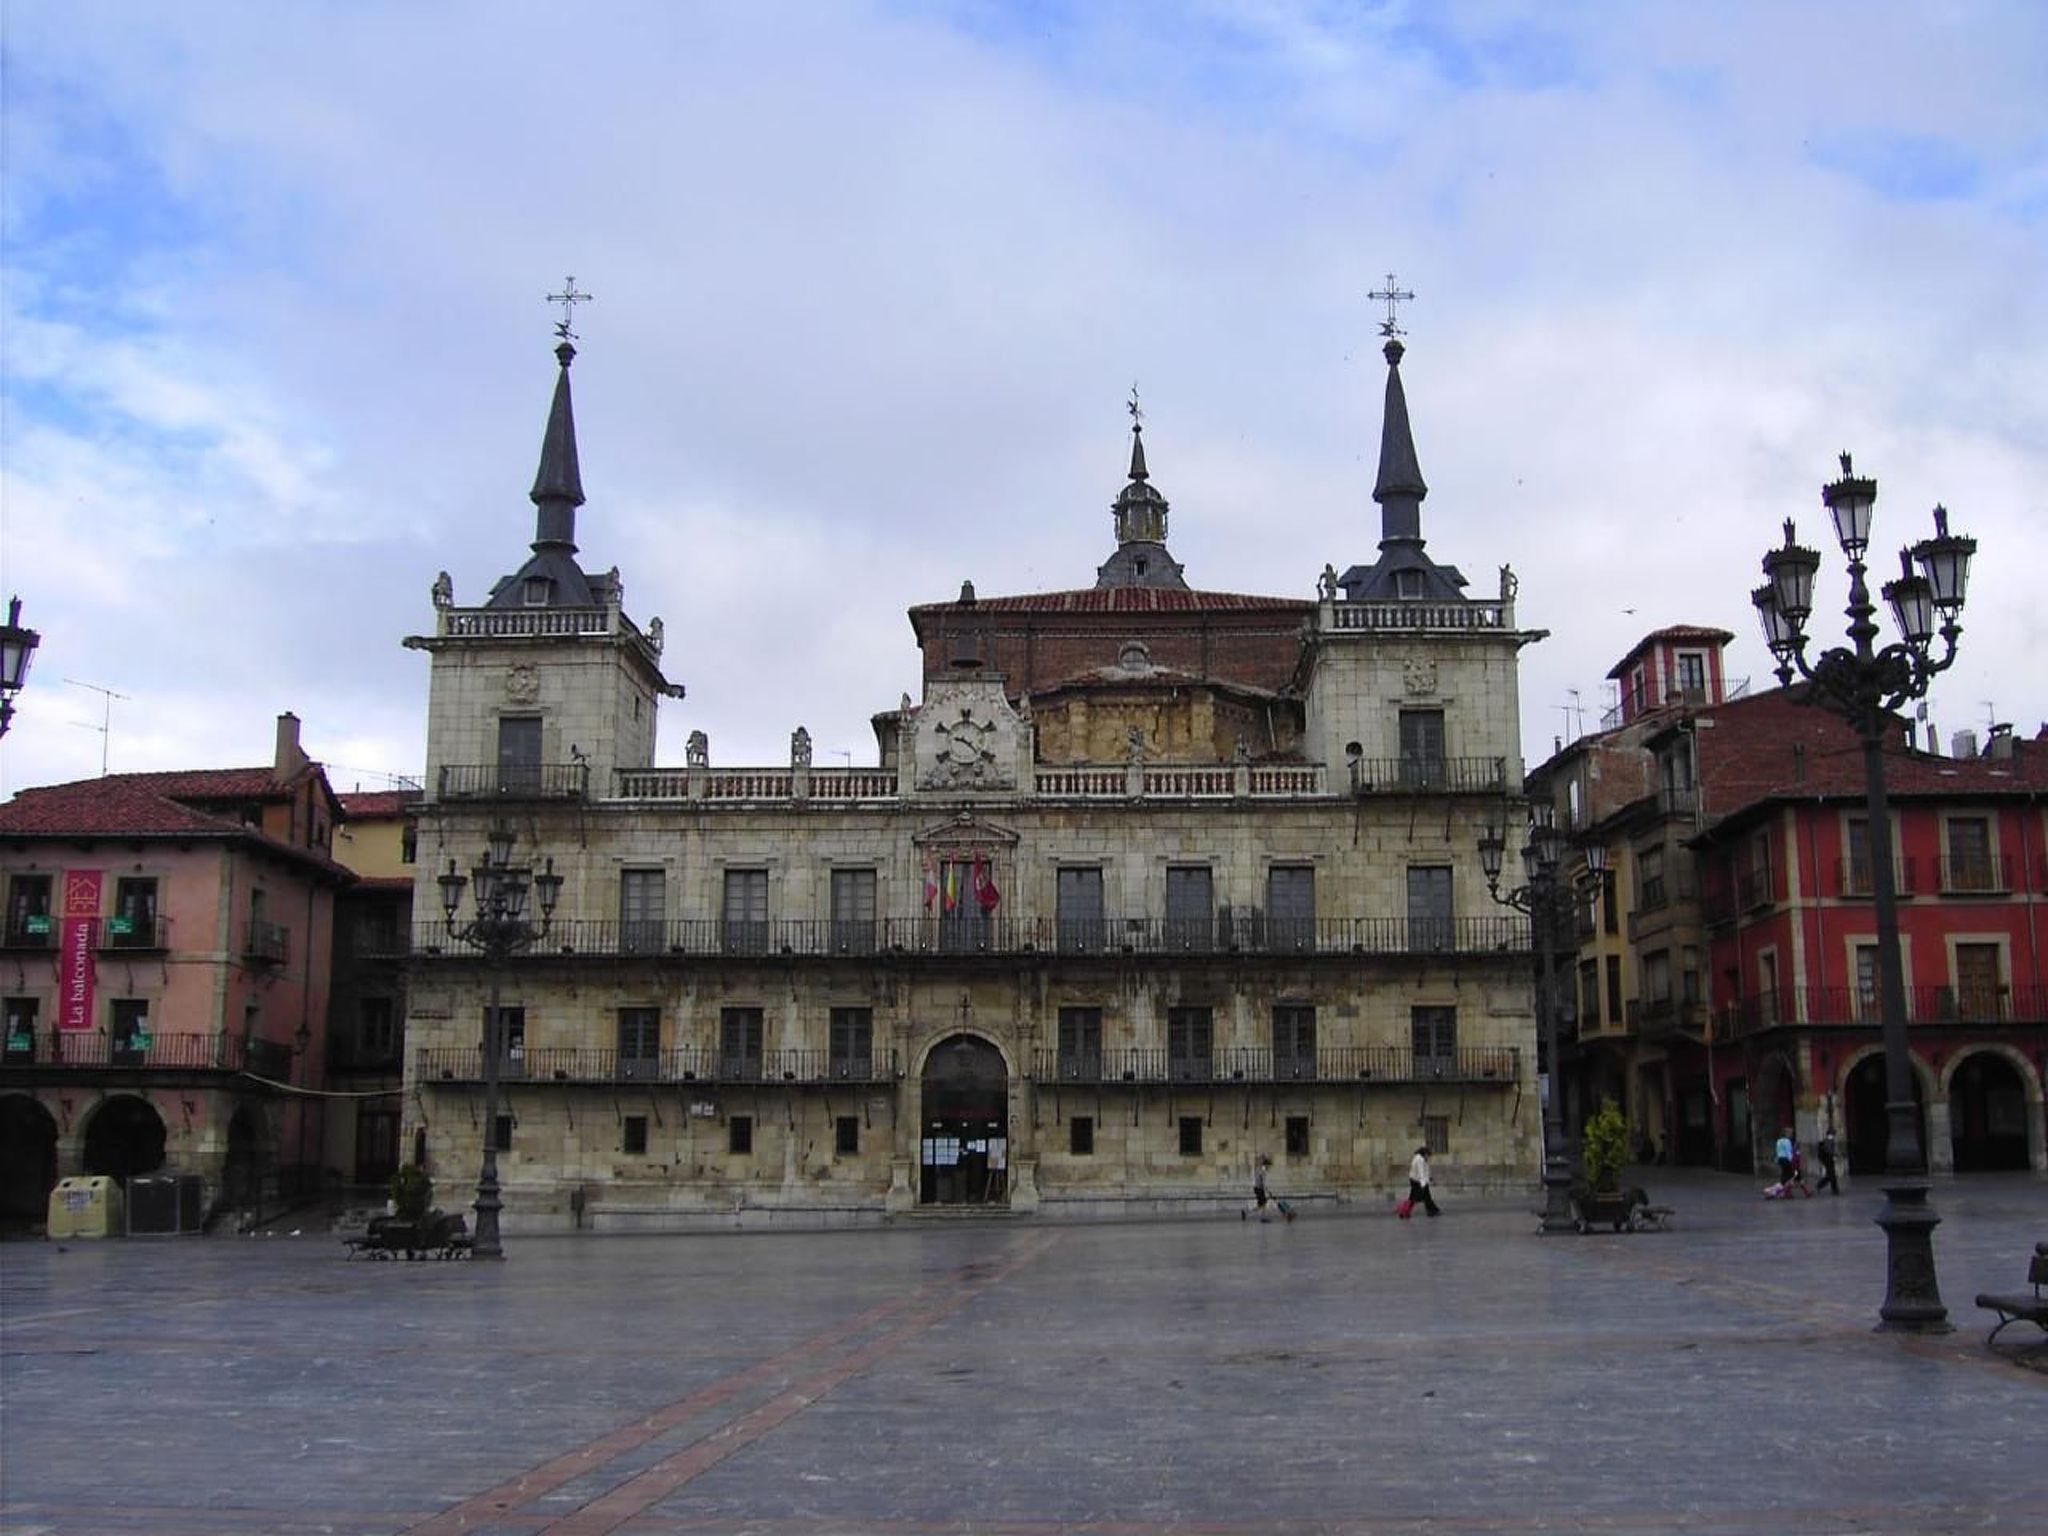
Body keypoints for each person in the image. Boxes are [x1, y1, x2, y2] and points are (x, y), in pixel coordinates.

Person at [1407, 1145, 1441, 1217]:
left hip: (1415, 1180)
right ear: (1425, 1153)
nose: (1428, 1157)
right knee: (1415, 1197)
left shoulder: (1417, 1157)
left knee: (1422, 1196)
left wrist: (1429, 1178)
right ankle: (1432, 1210)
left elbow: (1425, 1170)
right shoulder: (1420, 1160)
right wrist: (1423, 1184)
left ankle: (1432, 1210)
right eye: (1428, 1155)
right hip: (1418, 1181)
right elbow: (1421, 1172)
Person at [1815, 1127, 1841, 1195]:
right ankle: (1834, 1190)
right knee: (1831, 1175)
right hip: (1828, 1159)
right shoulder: (1830, 1139)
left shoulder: (1826, 1139)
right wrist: (1835, 1154)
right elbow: (1829, 1149)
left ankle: (1820, 1185)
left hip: (1826, 1159)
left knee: (1830, 1175)